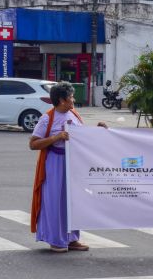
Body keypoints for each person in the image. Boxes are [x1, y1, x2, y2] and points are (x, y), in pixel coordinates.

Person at [29, 82, 107, 252]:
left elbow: (82, 136)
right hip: (54, 163)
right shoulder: (47, 119)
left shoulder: (74, 114)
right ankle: (56, 239)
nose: (73, 99)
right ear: (61, 100)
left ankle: (72, 239)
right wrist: (56, 137)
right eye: (71, 97)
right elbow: (33, 144)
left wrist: (98, 130)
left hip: (74, 163)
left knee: (73, 201)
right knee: (55, 202)